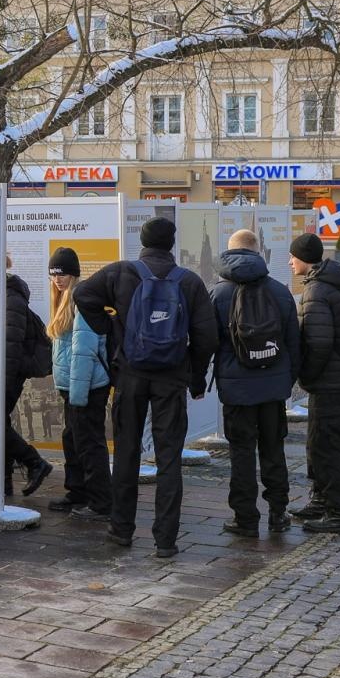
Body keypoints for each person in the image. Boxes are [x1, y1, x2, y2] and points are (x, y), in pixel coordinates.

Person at [75, 217, 218, 559]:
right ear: (171, 243)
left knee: (127, 452)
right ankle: (165, 540)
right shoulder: (190, 282)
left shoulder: (121, 272)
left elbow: (82, 295)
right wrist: (196, 379)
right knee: (169, 458)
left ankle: (121, 529)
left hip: (130, 374)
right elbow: (207, 337)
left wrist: (111, 331)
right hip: (171, 377)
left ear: (142, 240)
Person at [210, 230, 300, 537]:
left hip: (237, 390)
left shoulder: (219, 294)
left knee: (242, 453)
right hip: (273, 388)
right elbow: (293, 342)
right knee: (273, 449)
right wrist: (287, 380)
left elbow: (208, 343)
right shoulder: (279, 290)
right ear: (257, 249)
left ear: (230, 251)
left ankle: (245, 517)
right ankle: (278, 513)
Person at [290, 232, 340, 536]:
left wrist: (305, 375)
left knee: (328, 447)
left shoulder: (317, 290)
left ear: (304, 259)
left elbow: (318, 343)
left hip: (329, 380)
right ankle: (321, 501)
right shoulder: (330, 284)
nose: (291, 262)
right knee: (318, 443)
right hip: (339, 377)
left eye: (293, 257)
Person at [46, 247, 112, 519]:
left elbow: (84, 352)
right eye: (53, 275)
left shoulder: (79, 300)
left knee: (89, 441)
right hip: (74, 385)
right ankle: (78, 491)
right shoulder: (63, 300)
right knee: (72, 438)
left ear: (73, 274)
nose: (58, 280)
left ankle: (101, 502)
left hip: (85, 385)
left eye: (62, 274)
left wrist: (78, 393)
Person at [3, 254, 53, 498]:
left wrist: (3, 381)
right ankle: (3, 486)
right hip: (6, 372)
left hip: (8, 374)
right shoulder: (2, 294)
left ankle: (34, 462)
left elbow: (10, 346)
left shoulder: (10, 298)